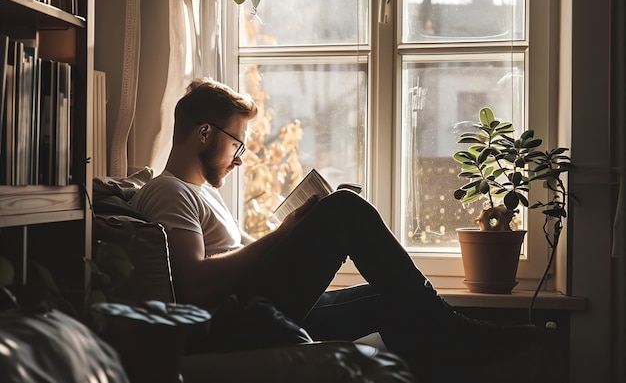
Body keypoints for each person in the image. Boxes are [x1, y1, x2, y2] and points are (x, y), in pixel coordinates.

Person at [129, 78, 540, 377]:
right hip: (237, 323)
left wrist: (296, 228)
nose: (239, 159)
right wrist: (284, 233)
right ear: (204, 133)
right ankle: (456, 330)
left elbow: (231, 257)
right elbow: (196, 284)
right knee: (345, 209)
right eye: (237, 144)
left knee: (395, 302)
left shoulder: (202, 193)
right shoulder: (169, 192)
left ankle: (454, 340)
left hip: (259, 306)